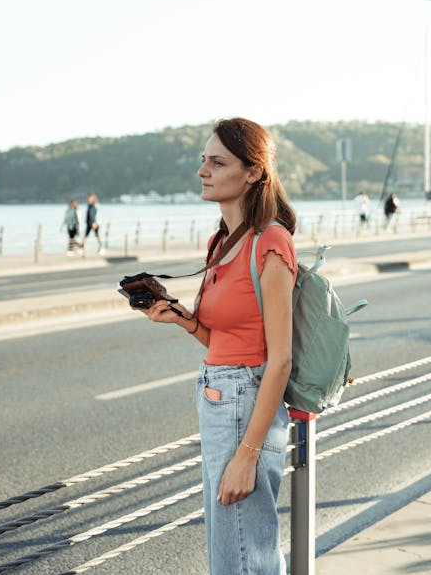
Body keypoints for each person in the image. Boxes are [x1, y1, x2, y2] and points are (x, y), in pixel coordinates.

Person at [137, 117, 297, 575]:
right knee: (233, 550)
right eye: (202, 160)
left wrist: (246, 457)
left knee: (245, 556)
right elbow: (225, 337)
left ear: (253, 172)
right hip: (218, 395)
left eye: (217, 161)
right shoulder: (221, 242)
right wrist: (183, 320)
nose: (203, 170)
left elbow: (279, 359)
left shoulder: (271, 242)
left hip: (245, 404)